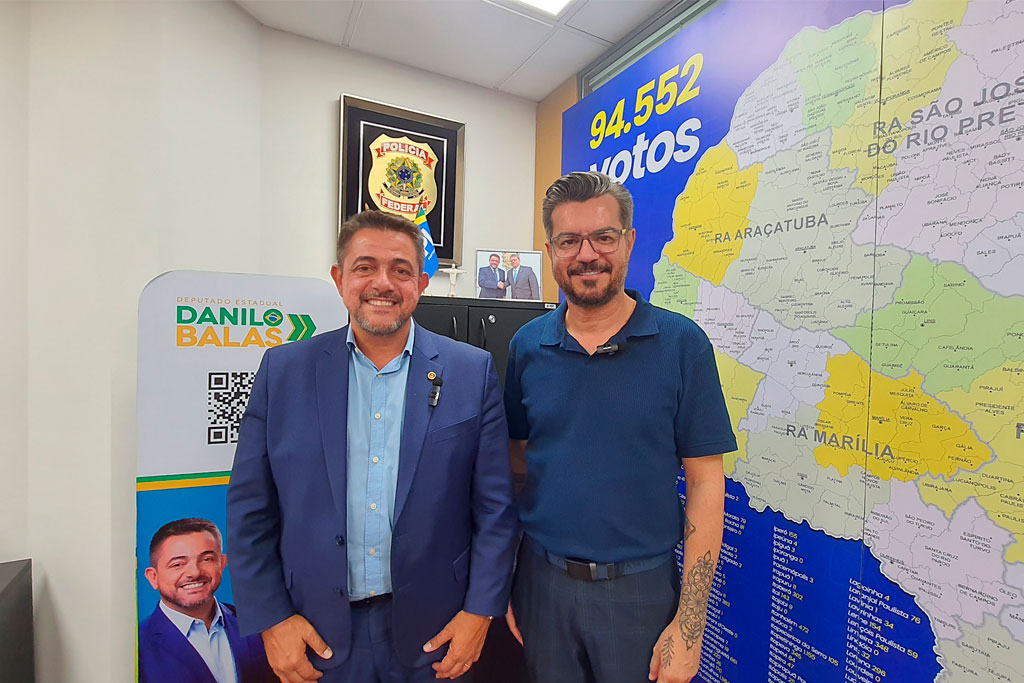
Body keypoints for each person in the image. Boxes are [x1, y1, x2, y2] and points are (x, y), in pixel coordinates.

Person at [226, 210, 517, 683]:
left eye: (400, 270)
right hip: (314, 634)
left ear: (420, 283)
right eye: (365, 267)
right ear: (340, 279)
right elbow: (250, 508)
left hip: (438, 636)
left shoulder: (471, 371)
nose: (383, 283)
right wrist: (271, 620)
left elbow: (495, 509)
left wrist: (480, 613)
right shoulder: (283, 372)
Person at [503, 172, 736, 683]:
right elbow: (517, 462)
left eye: (603, 237)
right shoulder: (525, 346)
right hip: (542, 586)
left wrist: (690, 627)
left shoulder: (681, 345)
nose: (587, 254)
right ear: (550, 250)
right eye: (569, 241)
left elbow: (705, 482)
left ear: (628, 240)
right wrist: (513, 579)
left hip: (640, 594)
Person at [139, 518, 275, 683]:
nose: (194, 572)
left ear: (222, 563)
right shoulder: (136, 646)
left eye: (206, 559)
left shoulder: (260, 624)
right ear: (153, 577)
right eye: (177, 564)